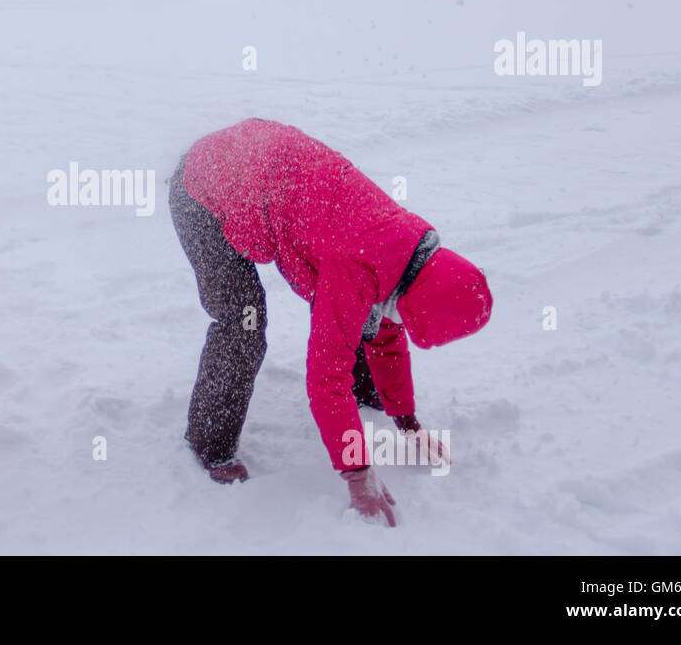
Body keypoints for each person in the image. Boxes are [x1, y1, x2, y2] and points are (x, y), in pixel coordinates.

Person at [169, 118, 492, 525]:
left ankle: (368, 388)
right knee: (244, 320)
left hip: (260, 167)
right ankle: (209, 442)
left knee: (356, 316)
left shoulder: (406, 250)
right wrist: (357, 474)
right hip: (203, 189)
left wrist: (406, 421)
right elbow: (325, 379)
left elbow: (386, 330)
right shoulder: (354, 263)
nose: (399, 325)